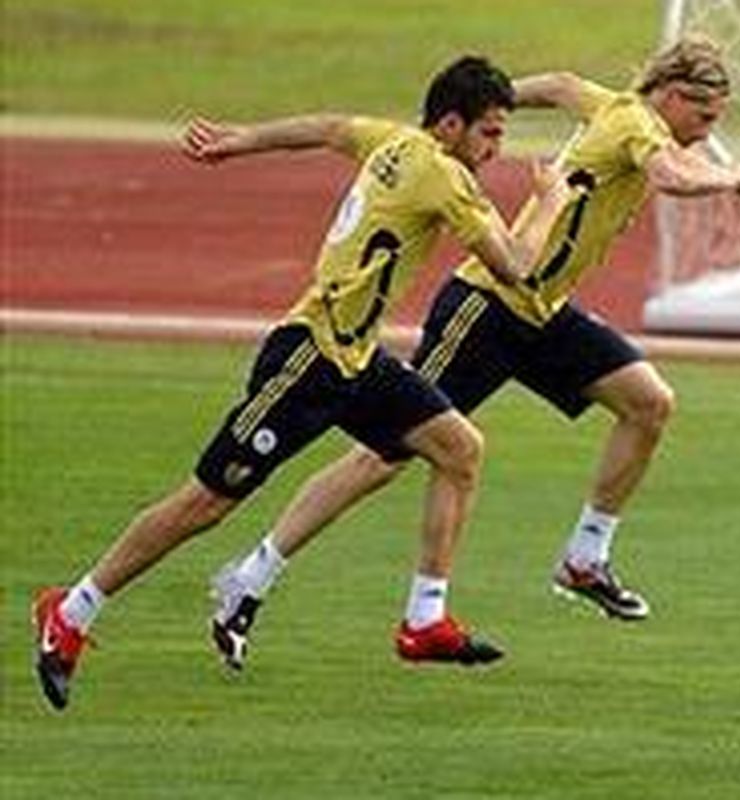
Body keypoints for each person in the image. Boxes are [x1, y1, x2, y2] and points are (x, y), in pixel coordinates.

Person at [32, 55, 574, 711]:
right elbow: (516, 265)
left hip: (356, 359)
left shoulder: (392, 140)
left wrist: (244, 140)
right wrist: (549, 203)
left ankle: (424, 620)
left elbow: (326, 127)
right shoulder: (442, 175)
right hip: (308, 359)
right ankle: (73, 607)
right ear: (452, 124)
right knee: (206, 502)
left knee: (458, 447)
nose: (497, 148)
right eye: (490, 133)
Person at [204, 36, 740, 662]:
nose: (707, 134)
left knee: (648, 403)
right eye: (705, 117)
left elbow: (557, 80)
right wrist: (732, 176)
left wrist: (498, 99)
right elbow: (668, 174)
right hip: (488, 307)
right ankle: (251, 577)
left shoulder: (607, 105)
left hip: (541, 312)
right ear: (671, 95)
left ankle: (585, 557)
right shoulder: (638, 124)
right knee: (382, 458)